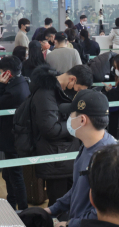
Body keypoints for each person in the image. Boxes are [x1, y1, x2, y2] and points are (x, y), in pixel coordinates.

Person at [45, 89, 117, 227]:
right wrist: (52, 209)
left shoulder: (108, 158)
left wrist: (70, 225)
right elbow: (78, 188)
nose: (69, 119)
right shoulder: (87, 146)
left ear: (82, 120)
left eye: (71, 115)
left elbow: (104, 212)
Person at [29, 64, 93, 206]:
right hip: (56, 157)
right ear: (72, 79)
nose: (78, 92)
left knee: (70, 202)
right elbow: (50, 128)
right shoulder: (46, 93)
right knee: (58, 202)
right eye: (79, 88)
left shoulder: (59, 91)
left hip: (65, 154)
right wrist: (76, 124)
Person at [0, 56, 30, 210]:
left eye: (1, 72)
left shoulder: (13, 90)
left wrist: (0, 85)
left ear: (7, 73)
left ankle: (23, 209)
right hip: (16, 136)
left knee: (15, 175)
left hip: (12, 137)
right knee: (9, 174)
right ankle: (12, 204)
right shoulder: (23, 82)